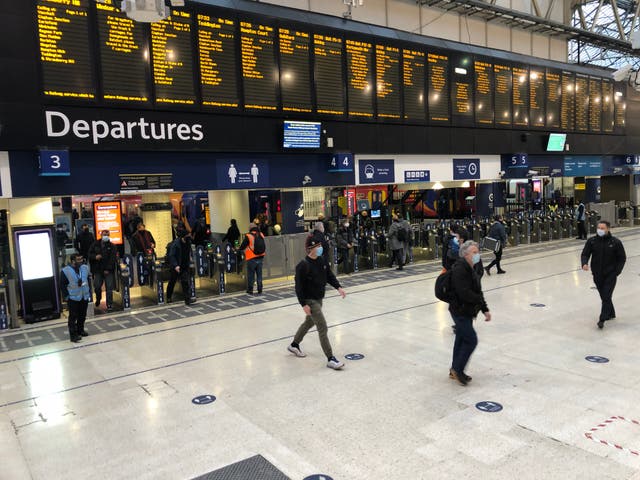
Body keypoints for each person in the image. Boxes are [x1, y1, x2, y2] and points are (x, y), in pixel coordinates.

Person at [287, 235, 347, 370]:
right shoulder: (303, 266)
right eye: (317, 246)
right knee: (322, 327)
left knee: (308, 323)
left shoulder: (322, 261)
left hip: (319, 298)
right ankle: (330, 358)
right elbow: (299, 288)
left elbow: (329, 276)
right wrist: (304, 304)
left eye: (320, 245)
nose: (320, 248)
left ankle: (294, 345)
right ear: (310, 249)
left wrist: (338, 287)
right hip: (310, 300)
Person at [448, 240, 491, 386]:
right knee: (471, 340)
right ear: (465, 255)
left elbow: (478, 291)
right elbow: (464, 293)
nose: (477, 254)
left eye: (477, 251)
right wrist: (478, 300)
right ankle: (458, 370)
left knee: (461, 339)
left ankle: (454, 369)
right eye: (474, 252)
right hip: (459, 310)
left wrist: (484, 309)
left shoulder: (473, 268)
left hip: (466, 310)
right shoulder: (460, 269)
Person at [580, 220, 626, 329]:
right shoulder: (592, 241)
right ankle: (611, 313)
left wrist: (617, 272)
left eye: (602, 228)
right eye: (599, 228)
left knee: (606, 295)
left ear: (608, 229)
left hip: (610, 274)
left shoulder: (615, 242)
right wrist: (584, 263)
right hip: (597, 274)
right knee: (604, 295)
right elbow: (585, 254)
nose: (600, 230)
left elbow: (622, 258)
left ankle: (602, 319)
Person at [60, 253, 91, 343]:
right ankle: (73, 335)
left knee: (82, 315)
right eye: (78, 259)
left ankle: (80, 330)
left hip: (84, 296)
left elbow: (88, 280)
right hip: (73, 297)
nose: (81, 261)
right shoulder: (65, 271)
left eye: (81, 259)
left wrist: (89, 292)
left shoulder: (85, 268)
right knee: (73, 317)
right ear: (73, 261)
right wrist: (66, 296)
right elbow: (62, 285)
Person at [88, 230, 117, 311]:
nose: (106, 236)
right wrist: (95, 257)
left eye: (107, 235)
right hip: (97, 270)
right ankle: (98, 298)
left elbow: (112, 259)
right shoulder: (95, 244)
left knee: (109, 288)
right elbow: (89, 254)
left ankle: (109, 304)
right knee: (97, 286)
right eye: (104, 235)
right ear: (101, 235)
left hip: (108, 271)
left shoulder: (112, 246)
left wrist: (108, 269)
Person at [166, 229, 195, 305]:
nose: (189, 236)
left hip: (184, 265)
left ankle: (187, 300)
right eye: (188, 235)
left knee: (185, 282)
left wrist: (190, 257)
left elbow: (189, 251)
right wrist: (176, 266)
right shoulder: (176, 244)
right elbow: (172, 255)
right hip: (176, 266)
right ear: (184, 236)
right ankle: (168, 297)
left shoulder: (188, 242)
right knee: (172, 282)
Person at [239, 223, 266, 295]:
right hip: (260, 257)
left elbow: (242, 246)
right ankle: (260, 289)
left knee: (251, 275)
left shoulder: (248, 236)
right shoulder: (261, 234)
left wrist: (239, 250)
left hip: (251, 258)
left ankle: (250, 290)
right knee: (259, 274)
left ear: (250, 229)